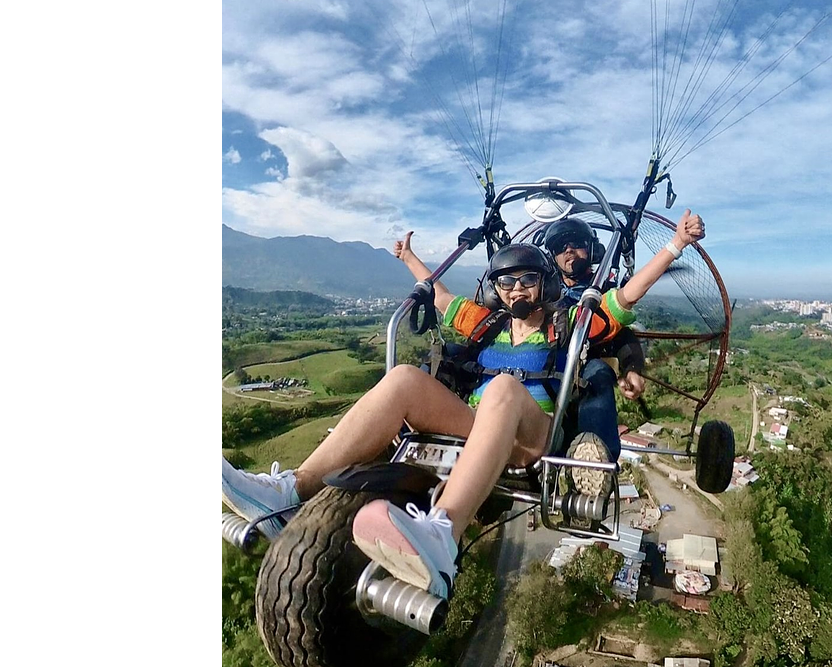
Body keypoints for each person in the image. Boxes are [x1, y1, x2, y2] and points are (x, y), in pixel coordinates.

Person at [221, 210, 706, 601]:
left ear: (546, 283)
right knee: (405, 378)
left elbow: (625, 297)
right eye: (507, 282)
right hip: (481, 428)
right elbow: (443, 296)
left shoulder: (570, 322)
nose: (516, 289)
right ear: (497, 288)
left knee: (501, 390)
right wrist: (411, 259)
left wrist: (676, 246)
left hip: (536, 437)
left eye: (527, 280)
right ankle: (289, 492)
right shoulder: (488, 326)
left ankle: (443, 534)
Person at [539, 216, 648, 494]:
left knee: (598, 373)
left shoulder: (603, 290)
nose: (569, 251)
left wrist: (631, 368)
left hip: (586, 365)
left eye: (577, 245)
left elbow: (622, 335)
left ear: (592, 251)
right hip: (542, 364)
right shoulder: (541, 289)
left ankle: (595, 461)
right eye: (561, 246)